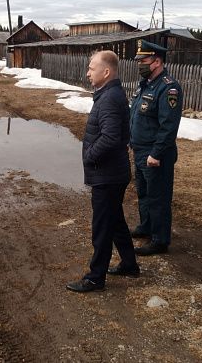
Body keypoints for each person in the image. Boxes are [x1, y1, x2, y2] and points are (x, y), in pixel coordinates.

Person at [66, 50, 140, 293]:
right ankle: (130, 264)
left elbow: (110, 137)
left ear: (106, 72)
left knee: (102, 227)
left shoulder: (109, 98)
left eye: (91, 68)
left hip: (107, 175)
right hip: (112, 173)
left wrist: (89, 156)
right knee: (115, 220)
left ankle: (95, 278)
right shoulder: (110, 94)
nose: (87, 72)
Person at [129, 40, 183, 255]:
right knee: (143, 193)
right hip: (140, 150)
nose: (140, 64)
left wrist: (156, 153)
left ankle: (160, 240)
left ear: (157, 61)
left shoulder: (169, 88)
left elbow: (168, 126)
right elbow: (135, 116)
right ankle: (147, 227)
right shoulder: (145, 84)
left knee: (158, 197)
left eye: (143, 60)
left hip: (155, 154)